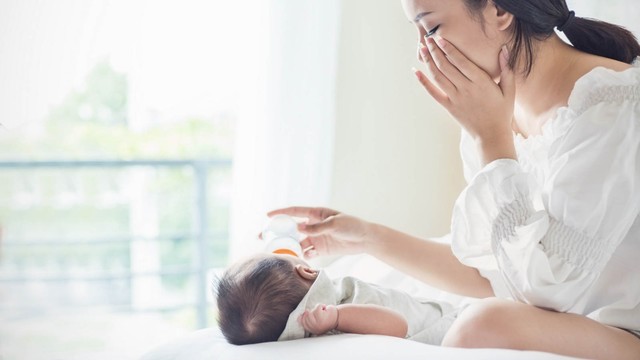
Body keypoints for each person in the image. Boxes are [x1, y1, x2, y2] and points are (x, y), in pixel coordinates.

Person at [267, 0, 640, 359]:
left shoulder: (611, 104)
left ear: (500, 10)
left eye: (430, 27)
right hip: (575, 323)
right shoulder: (493, 113)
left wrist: (492, 140)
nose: (422, 51)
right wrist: (367, 236)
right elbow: (495, 275)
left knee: (481, 325)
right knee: (370, 280)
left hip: (627, 332)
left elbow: (548, 291)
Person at [214, 253, 459, 345]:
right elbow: (398, 326)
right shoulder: (338, 311)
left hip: (436, 312)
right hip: (445, 326)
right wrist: (338, 317)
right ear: (306, 271)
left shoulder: (300, 328)